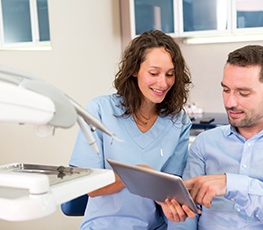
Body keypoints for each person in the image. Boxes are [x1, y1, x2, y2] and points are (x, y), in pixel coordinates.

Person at [163, 45, 263, 229]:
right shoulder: (205, 143)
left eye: (243, 93)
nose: (230, 102)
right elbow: (186, 216)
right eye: (226, 90)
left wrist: (233, 185)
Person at [68, 30, 192, 229]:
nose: (163, 83)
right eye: (154, 73)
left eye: (170, 74)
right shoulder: (100, 111)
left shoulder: (178, 121)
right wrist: (140, 174)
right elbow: (89, 187)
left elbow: (171, 188)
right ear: (135, 70)